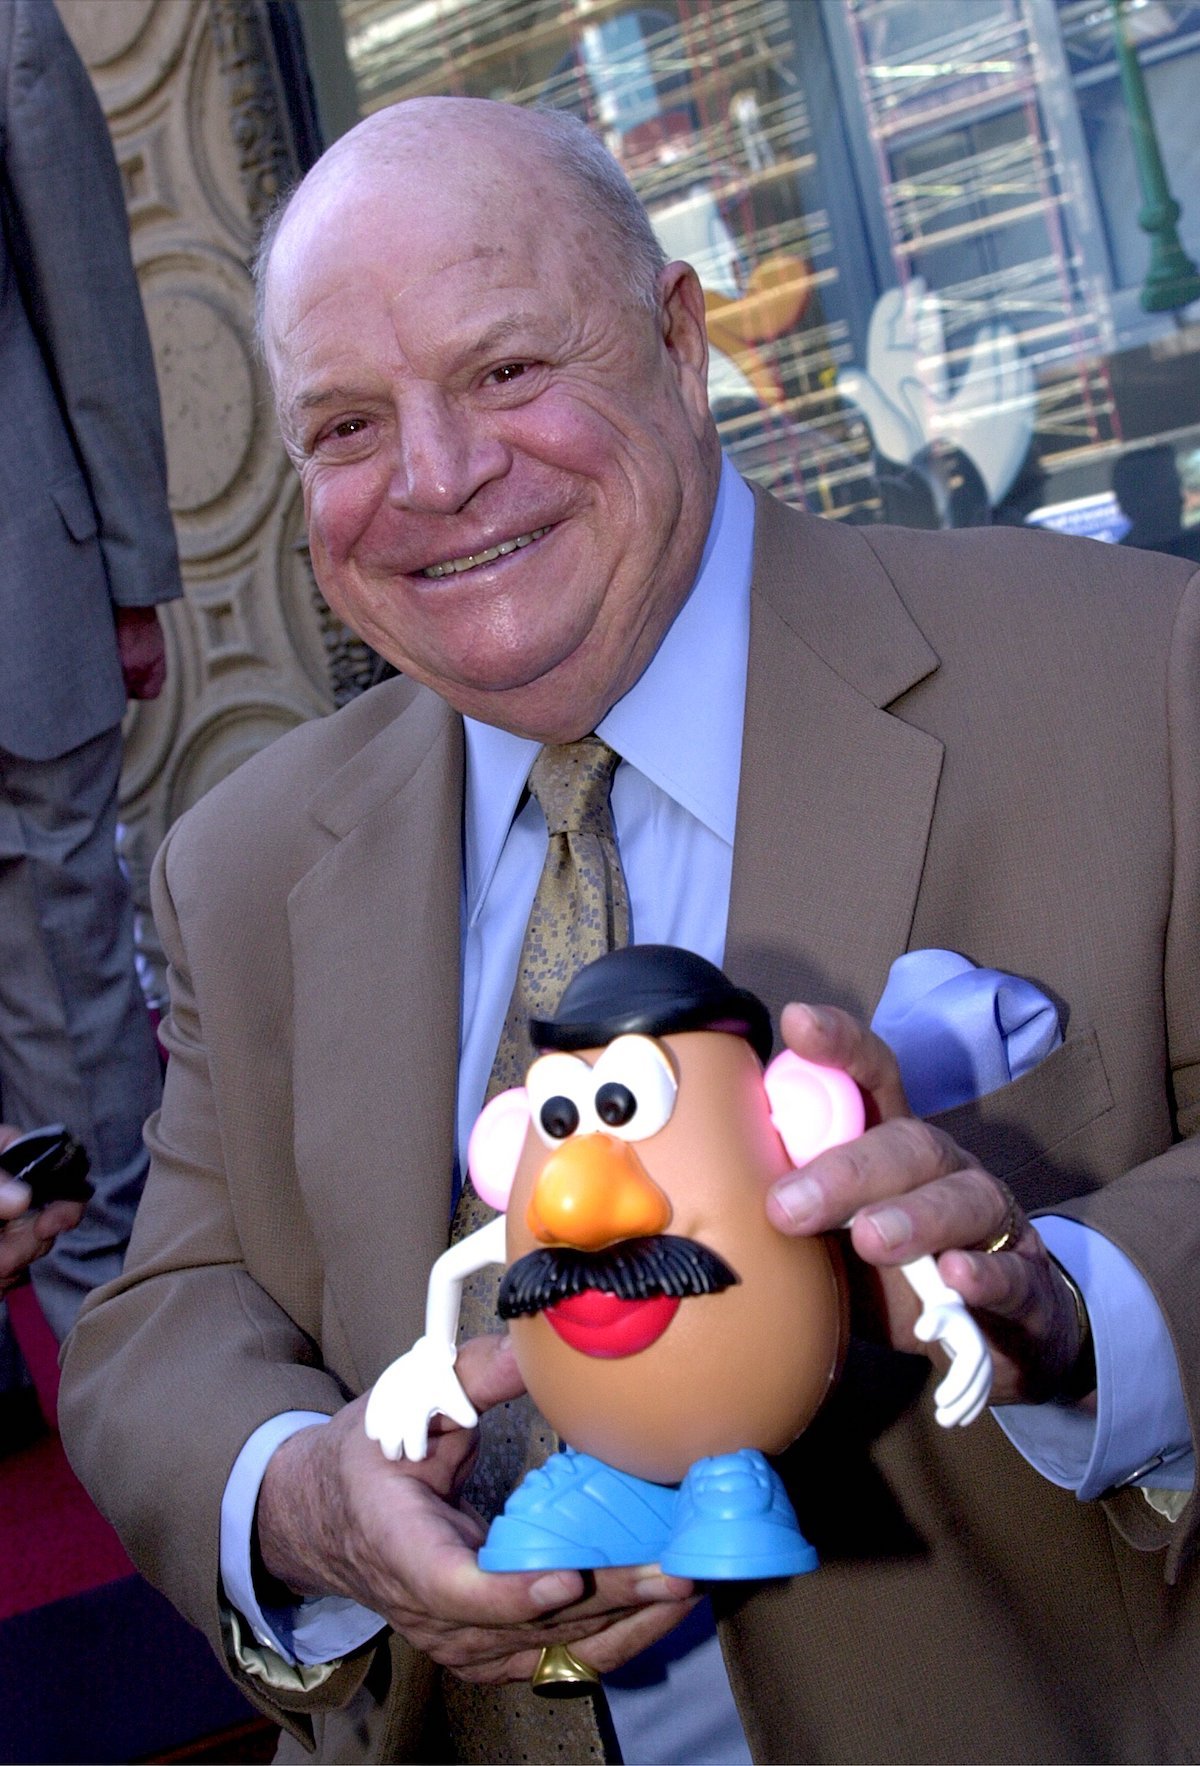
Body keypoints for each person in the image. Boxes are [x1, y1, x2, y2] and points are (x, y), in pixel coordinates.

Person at [58, 97, 1200, 1765]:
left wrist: (1070, 1302)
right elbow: (164, 1313)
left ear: (681, 338)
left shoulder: (1131, 671)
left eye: (510, 369)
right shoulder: (238, 865)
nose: (438, 480)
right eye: (350, 427)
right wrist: (308, 1497)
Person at [0, 0, 180, 1406]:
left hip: (14, 595)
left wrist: (128, 569)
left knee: (72, 1000)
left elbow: (84, 286)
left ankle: (141, 1364)